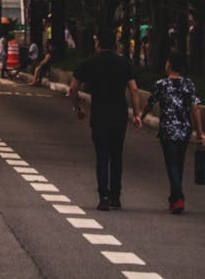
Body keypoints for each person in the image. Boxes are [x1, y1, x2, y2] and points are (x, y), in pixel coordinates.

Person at [70, 28, 140, 211]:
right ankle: (116, 196)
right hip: (119, 114)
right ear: (115, 44)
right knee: (116, 155)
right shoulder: (125, 63)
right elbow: (133, 89)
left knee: (102, 157)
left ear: (97, 42)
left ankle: (104, 197)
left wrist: (77, 107)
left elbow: (73, 87)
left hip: (99, 114)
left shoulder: (90, 62)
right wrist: (137, 114)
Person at [136, 51, 203, 214]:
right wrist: (200, 132)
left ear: (170, 64)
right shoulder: (189, 84)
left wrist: (140, 117)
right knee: (178, 163)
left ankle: (178, 197)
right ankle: (174, 199)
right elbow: (195, 109)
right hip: (185, 130)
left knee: (171, 164)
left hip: (168, 130)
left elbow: (150, 104)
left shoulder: (161, 84)